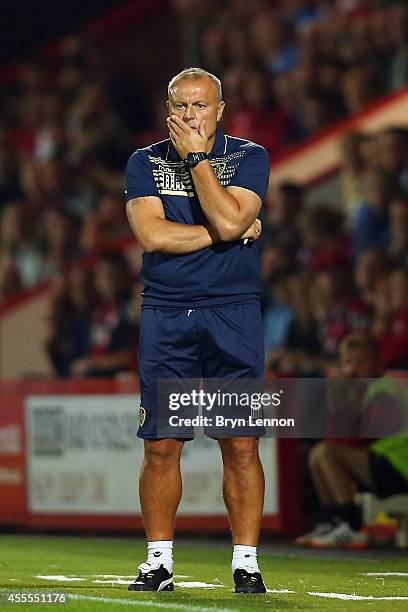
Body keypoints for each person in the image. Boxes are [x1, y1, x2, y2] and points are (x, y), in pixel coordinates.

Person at [125, 67, 270, 593]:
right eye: (181, 106)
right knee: (161, 445)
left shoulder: (250, 156)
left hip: (233, 312)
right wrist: (225, 231)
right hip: (167, 312)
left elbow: (232, 221)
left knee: (241, 443)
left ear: (220, 109)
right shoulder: (144, 161)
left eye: (200, 106)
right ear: (168, 110)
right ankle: (159, 560)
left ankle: (246, 563)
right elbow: (152, 235)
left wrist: (197, 163)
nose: (190, 116)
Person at [295, 332, 408, 549]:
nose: (353, 368)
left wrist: (340, 405)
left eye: (360, 361)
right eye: (348, 362)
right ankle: (334, 522)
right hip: (381, 464)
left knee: (326, 452)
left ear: (377, 362)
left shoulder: (386, 390)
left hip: (399, 467)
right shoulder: (363, 389)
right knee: (317, 453)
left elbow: (361, 438)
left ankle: (353, 527)